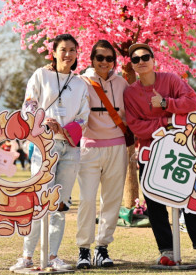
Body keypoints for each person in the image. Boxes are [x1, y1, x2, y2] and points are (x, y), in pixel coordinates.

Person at [124, 43, 196, 267]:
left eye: (145, 56)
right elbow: (136, 127)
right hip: (150, 155)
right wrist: (167, 121)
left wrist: (167, 103)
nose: (141, 61)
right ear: (132, 65)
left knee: (190, 197)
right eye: (136, 59)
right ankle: (166, 250)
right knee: (154, 202)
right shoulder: (130, 93)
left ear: (153, 59)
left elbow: (192, 103)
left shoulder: (170, 80)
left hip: (180, 152)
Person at [10, 34, 90, 272]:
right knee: (39, 201)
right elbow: (29, 105)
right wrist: (45, 122)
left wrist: (66, 129)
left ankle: (53, 256)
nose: (67, 54)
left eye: (72, 50)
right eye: (63, 49)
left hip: (70, 148)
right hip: (44, 145)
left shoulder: (80, 83)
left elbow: (84, 117)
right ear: (54, 52)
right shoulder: (41, 75)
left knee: (60, 204)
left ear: (77, 54)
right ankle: (26, 257)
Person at [76, 40, 129, 269]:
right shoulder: (80, 82)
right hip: (89, 147)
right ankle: (83, 250)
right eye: (100, 58)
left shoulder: (122, 84)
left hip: (117, 147)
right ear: (92, 59)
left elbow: (130, 113)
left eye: (109, 58)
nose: (105, 62)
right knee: (87, 199)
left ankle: (102, 248)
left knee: (112, 200)